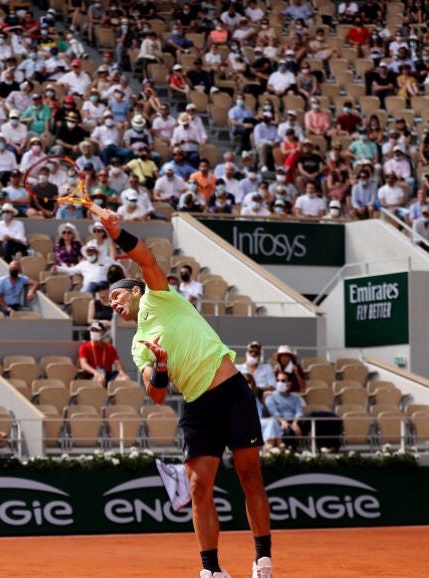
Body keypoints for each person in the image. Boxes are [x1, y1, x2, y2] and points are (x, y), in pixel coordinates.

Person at [92, 203, 273, 578]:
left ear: (136, 291)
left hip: (232, 392)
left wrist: (115, 231)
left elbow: (144, 257)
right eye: (109, 303)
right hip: (198, 407)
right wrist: (160, 366)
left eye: (116, 298)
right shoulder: (138, 344)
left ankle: (262, 560)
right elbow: (156, 395)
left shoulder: (159, 296)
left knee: (249, 475)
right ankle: (211, 570)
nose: (113, 305)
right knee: (198, 487)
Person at [265, 373, 305, 449]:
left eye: (283, 381)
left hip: (295, 421)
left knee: (316, 416)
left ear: (289, 383)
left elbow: (299, 412)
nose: (279, 383)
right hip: (280, 422)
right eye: (278, 380)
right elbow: (274, 413)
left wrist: (295, 423)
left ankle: (324, 448)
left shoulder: (295, 397)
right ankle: (292, 453)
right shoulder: (270, 397)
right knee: (288, 431)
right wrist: (284, 422)